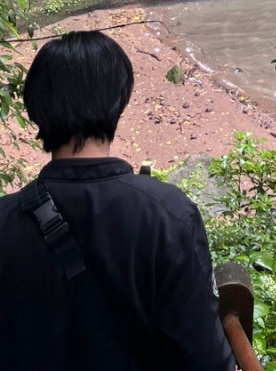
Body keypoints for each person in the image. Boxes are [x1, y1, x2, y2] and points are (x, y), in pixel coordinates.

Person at [0, 29, 236, 371]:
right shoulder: (167, 215)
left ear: (36, 108)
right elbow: (204, 358)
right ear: (118, 101)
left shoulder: (5, 222)